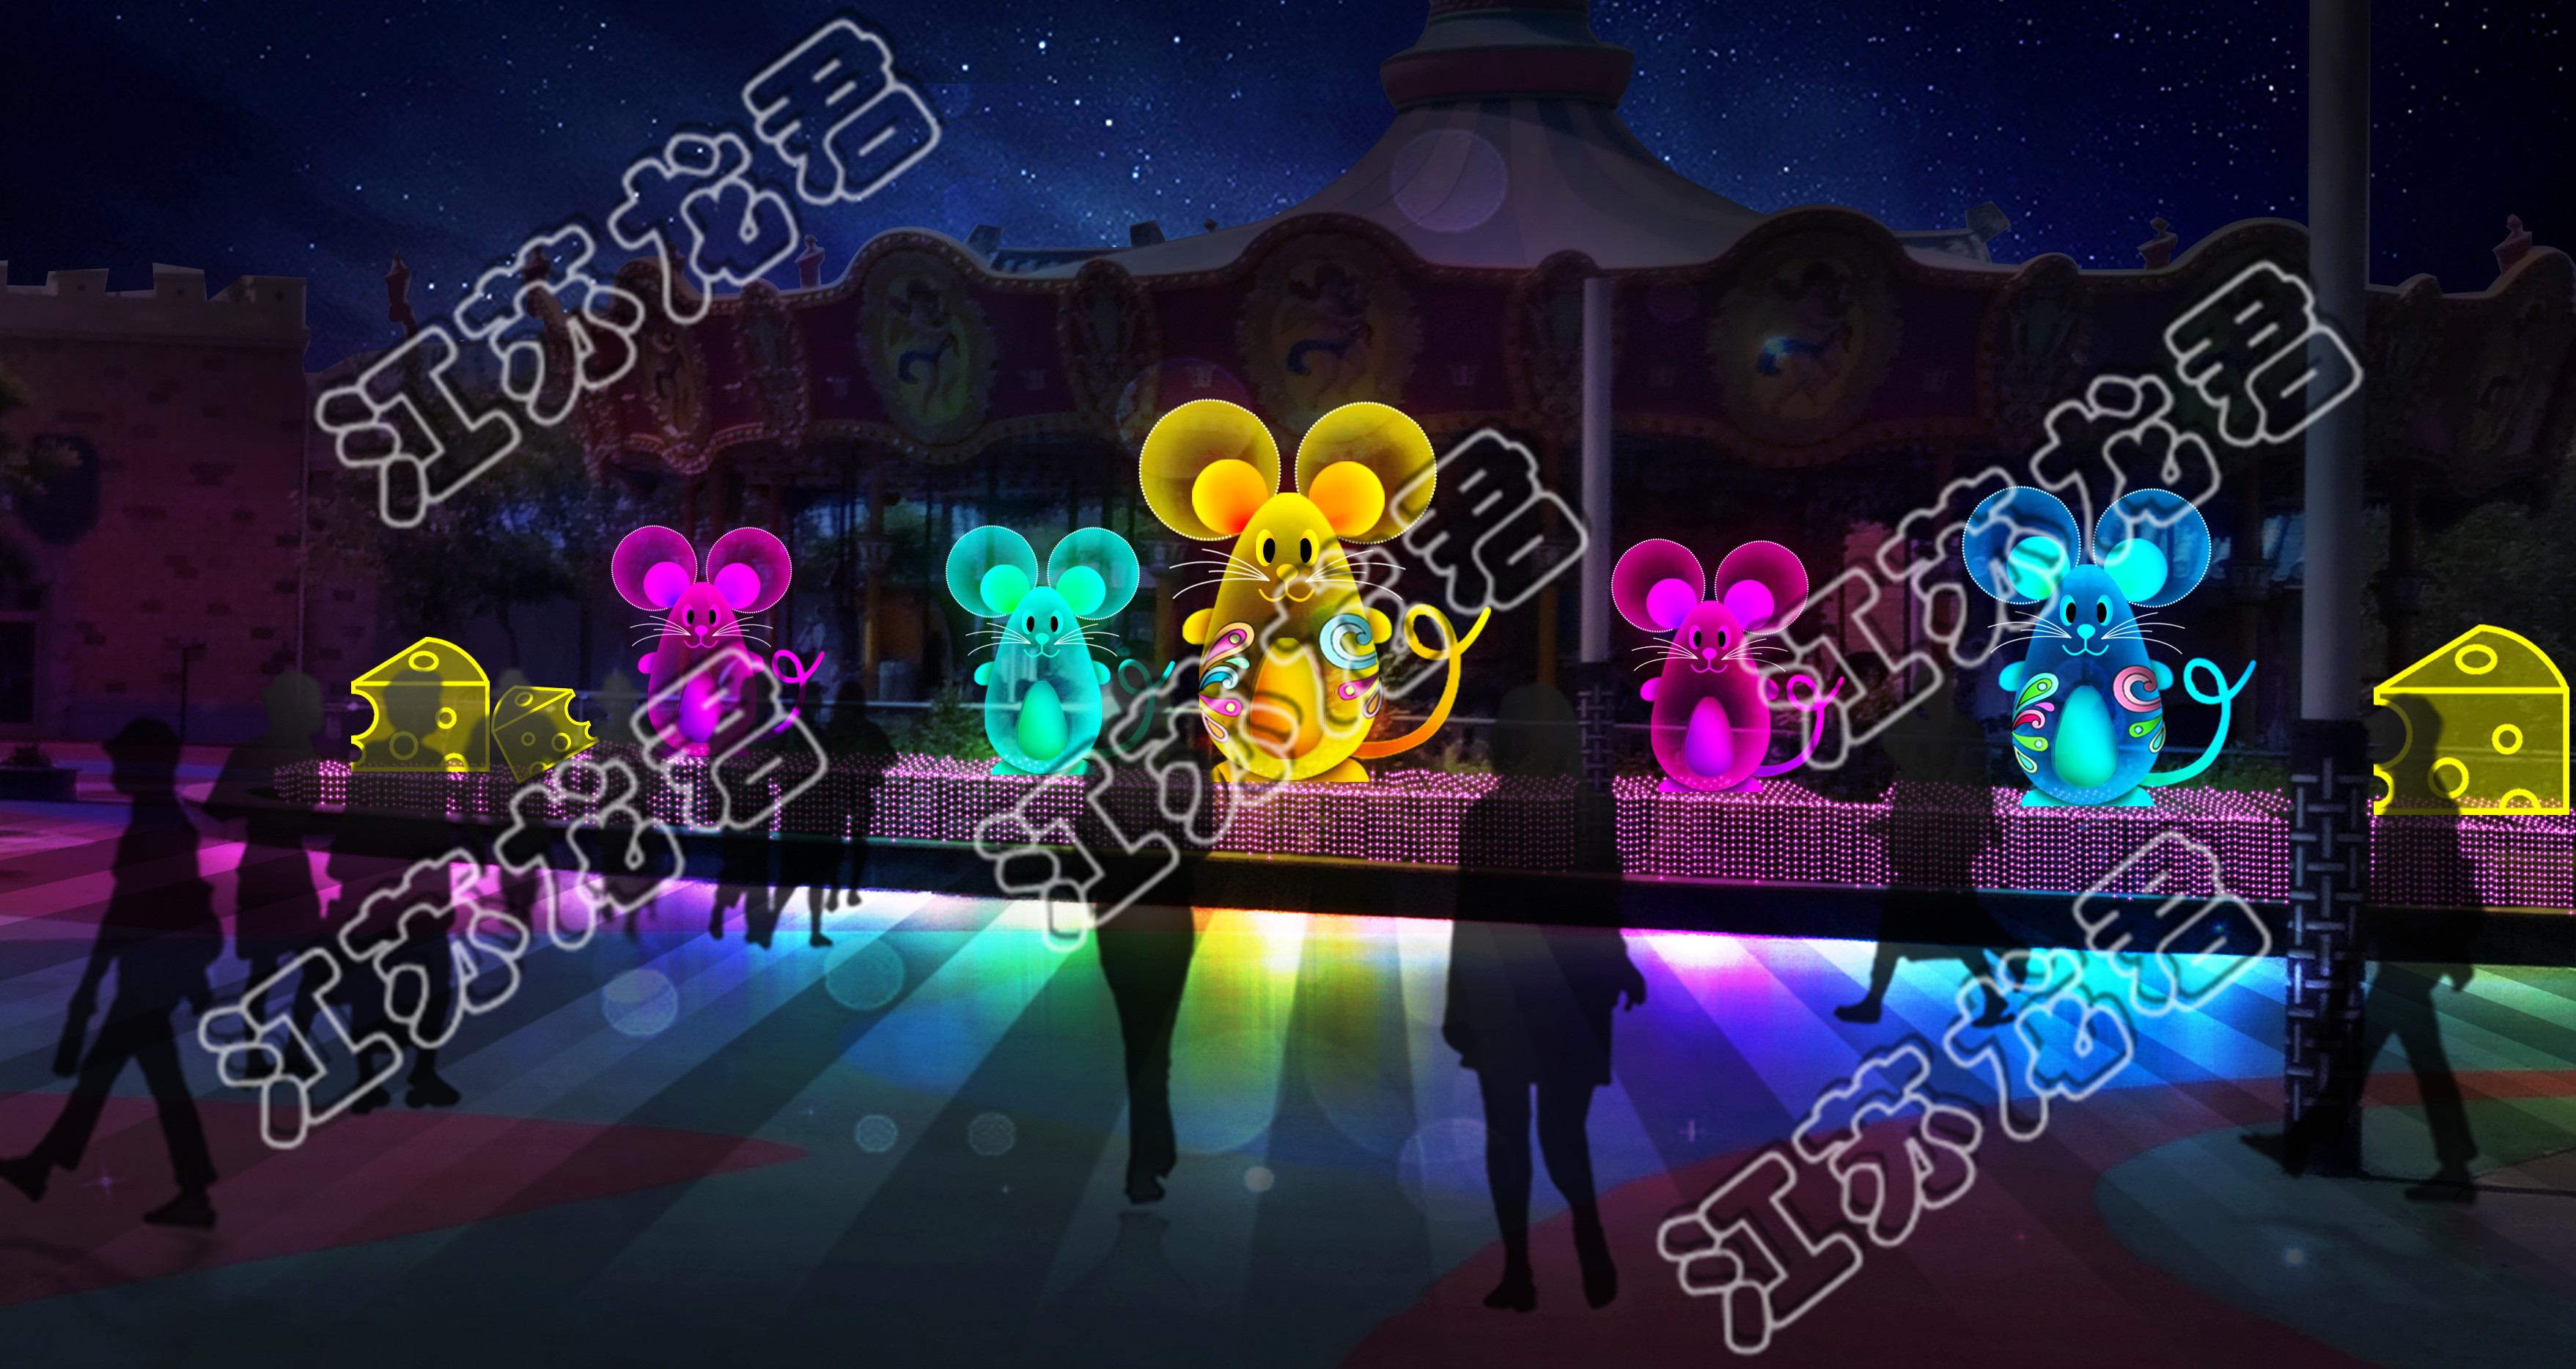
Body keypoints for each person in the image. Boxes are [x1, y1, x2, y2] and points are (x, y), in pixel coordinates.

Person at [0, 719, 223, 1228]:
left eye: (126, 757)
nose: (117, 764)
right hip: (150, 973)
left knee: (130, 1075)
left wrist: (92, 985)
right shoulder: (158, 819)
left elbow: (141, 910)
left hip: (150, 975)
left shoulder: (157, 826)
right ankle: (50, 1164)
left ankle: (53, 1164)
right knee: (122, 1074)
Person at [202, 671, 328, 1079]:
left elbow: (218, 807)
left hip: (259, 866)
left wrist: (256, 800)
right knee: (310, 964)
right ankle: (290, 1050)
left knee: (263, 967)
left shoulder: (253, 754)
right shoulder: (304, 755)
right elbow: (311, 814)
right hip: (287, 866)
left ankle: (259, 1054)